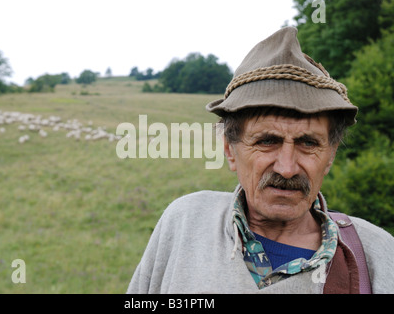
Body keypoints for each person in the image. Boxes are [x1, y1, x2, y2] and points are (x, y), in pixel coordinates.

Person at [126, 27, 394, 294]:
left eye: (308, 143)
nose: (287, 168)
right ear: (230, 150)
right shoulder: (185, 222)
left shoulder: (377, 254)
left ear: (330, 155)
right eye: (267, 141)